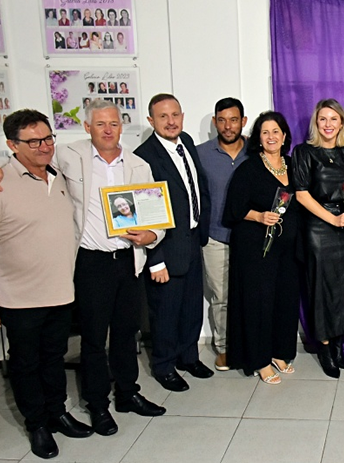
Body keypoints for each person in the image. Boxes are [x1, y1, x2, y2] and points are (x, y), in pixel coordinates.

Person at [0, 99, 168, 438]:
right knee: (93, 340)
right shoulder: (67, 156)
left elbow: (157, 216)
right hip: (90, 262)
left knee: (127, 334)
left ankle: (127, 393)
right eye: (100, 124)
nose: (108, 130)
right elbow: (22, 159)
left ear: (121, 126)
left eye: (114, 123)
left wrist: (152, 235)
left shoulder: (138, 164)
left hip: (128, 260)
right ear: (87, 127)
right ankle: (97, 404)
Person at [0, 109, 92, 459]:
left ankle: (57, 412)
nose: (44, 146)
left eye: (48, 138)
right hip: (19, 298)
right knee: (25, 363)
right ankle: (36, 424)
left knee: (54, 357)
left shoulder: (58, 175)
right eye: (33, 142)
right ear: (12, 145)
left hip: (60, 292)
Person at [134, 94, 213, 392]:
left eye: (175, 115)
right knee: (165, 312)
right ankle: (164, 366)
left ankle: (188, 357)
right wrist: (155, 259)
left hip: (192, 239)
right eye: (163, 116)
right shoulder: (144, 156)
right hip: (165, 247)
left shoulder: (187, 142)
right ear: (151, 120)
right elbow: (144, 211)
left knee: (191, 306)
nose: (171, 121)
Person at [223, 111, 300, 384]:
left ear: (284, 136)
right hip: (256, 247)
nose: (271, 137)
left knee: (285, 300)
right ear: (258, 138)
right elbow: (233, 210)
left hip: (288, 248)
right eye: (265, 132)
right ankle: (260, 360)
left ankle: (280, 352)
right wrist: (259, 216)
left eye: (276, 131)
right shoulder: (249, 169)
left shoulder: (294, 165)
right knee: (260, 302)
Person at [293, 99, 344, 378]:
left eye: (334, 119)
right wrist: (332, 219)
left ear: (342, 122)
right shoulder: (304, 152)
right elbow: (302, 194)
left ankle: (338, 345)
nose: (328, 124)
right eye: (322, 119)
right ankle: (324, 347)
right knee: (321, 290)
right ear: (316, 122)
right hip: (318, 228)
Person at [195, 97, 249, 370]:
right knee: (221, 297)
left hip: (250, 236)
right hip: (216, 236)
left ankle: (251, 345)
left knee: (251, 294)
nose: (228, 126)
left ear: (244, 122)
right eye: (222, 120)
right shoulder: (200, 154)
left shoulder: (256, 150)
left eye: (234, 120)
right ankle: (225, 347)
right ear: (215, 122)